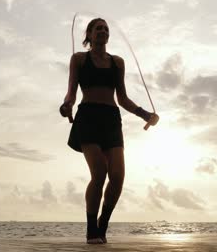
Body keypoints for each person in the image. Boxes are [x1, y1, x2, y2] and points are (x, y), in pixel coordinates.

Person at [59, 17, 159, 244]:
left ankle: (103, 224)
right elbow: (71, 93)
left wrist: (145, 115)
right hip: (88, 118)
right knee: (100, 172)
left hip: (111, 120)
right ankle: (91, 228)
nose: (102, 31)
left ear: (108, 35)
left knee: (117, 177)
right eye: (98, 28)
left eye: (105, 28)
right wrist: (66, 106)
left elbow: (122, 98)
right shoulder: (79, 59)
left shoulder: (118, 62)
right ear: (89, 35)